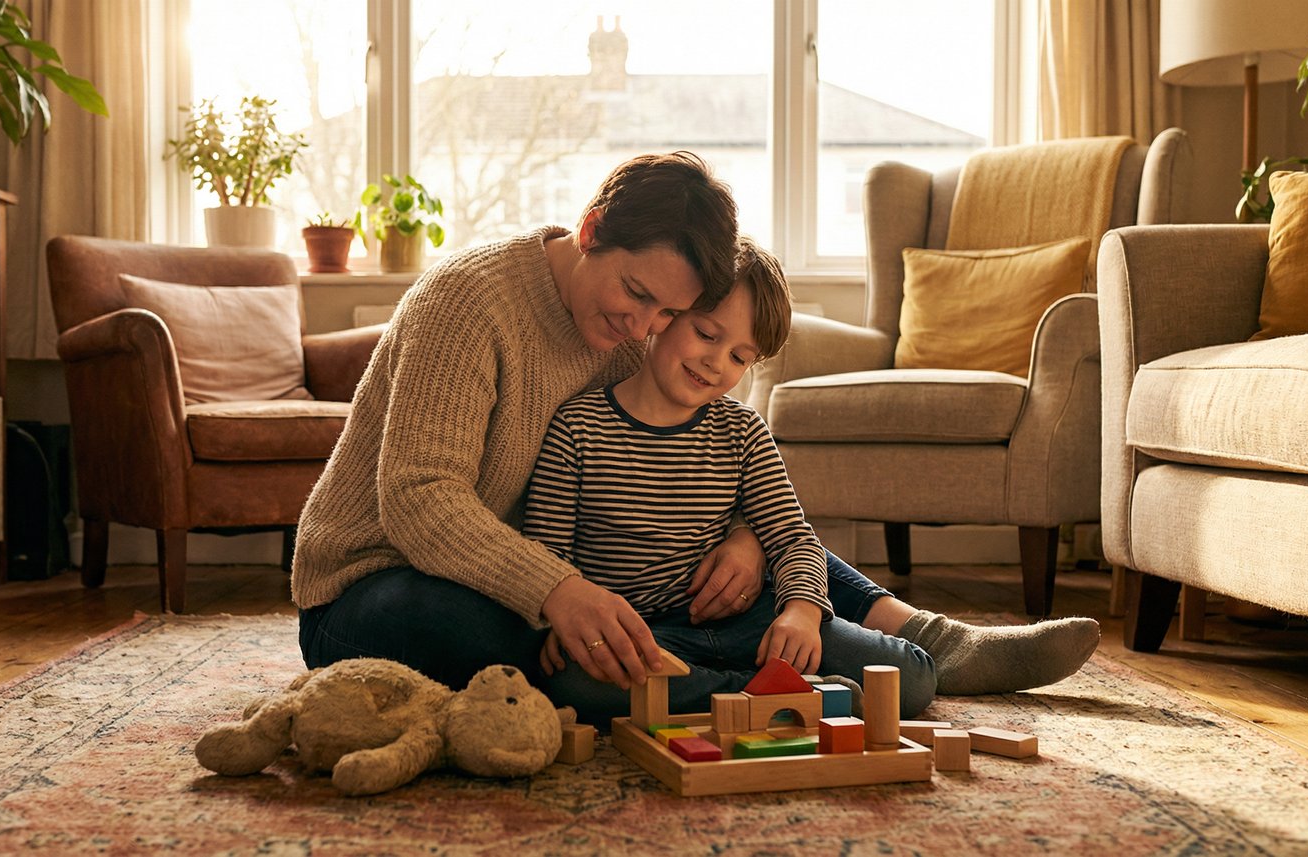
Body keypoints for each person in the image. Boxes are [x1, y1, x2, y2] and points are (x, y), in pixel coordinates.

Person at [292, 150, 1099, 700]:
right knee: (534, 646)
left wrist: (747, 539)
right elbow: (419, 499)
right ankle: (763, 690)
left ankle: (929, 637)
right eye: (638, 295)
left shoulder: (626, 332)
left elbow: (708, 457)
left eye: (672, 312)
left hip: (537, 570)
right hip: (378, 583)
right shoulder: (466, 304)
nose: (648, 326)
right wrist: (560, 590)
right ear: (590, 229)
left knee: (751, 542)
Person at [525, 238, 935, 725]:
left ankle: (759, 693)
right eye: (706, 334)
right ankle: (778, 698)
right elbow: (548, 550)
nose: (718, 364)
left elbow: (792, 538)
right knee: (572, 683)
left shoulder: (743, 432)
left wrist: (801, 610)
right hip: (645, 636)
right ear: (665, 316)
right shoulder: (578, 426)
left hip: (751, 624)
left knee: (910, 679)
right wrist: (558, 618)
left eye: (740, 358)